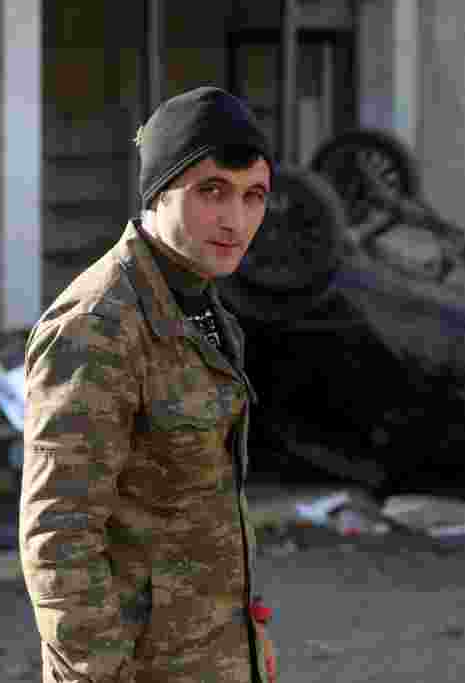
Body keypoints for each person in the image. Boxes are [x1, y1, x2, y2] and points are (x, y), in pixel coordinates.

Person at [19, 86, 279, 683]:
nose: (235, 220)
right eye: (210, 191)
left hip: (214, 656)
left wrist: (247, 635)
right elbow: (59, 537)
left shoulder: (201, 307)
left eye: (253, 197)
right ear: (159, 191)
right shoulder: (99, 325)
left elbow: (205, 503)